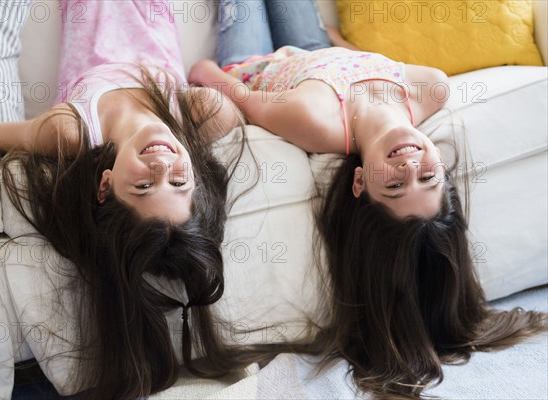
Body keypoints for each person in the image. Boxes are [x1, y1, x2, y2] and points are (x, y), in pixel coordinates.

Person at [189, 0, 547, 398]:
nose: (409, 168)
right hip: (317, 51)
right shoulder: (432, 87)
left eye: (393, 187)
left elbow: (227, 85)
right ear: (442, 166)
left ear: (359, 183)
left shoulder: (311, 119)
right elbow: (364, 62)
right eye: (427, 177)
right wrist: (333, 42)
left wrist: (200, 75)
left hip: (261, 65)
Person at [0, 1, 257, 398]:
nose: (162, 166)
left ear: (105, 185)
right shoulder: (203, 113)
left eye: (143, 187)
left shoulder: (71, 131)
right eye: (180, 182)